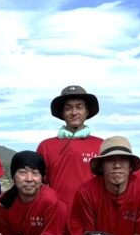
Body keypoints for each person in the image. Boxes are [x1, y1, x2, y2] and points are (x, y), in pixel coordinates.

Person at [36, 85, 104, 219]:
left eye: (79, 107)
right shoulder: (46, 146)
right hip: (56, 216)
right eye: (68, 108)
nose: (74, 112)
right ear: (62, 113)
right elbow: (38, 185)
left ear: (87, 111)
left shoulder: (101, 145)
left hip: (91, 217)